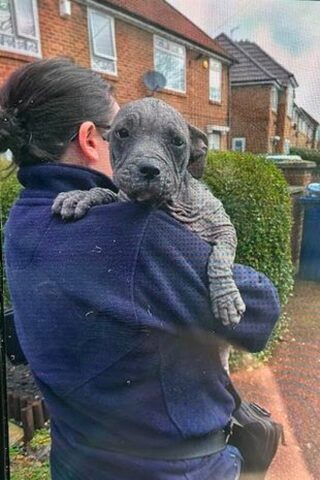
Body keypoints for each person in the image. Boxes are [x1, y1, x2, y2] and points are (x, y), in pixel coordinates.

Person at [1, 58, 280, 480]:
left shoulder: (22, 220)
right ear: (92, 139)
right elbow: (259, 313)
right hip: (173, 468)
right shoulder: (137, 236)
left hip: (76, 458)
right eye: (123, 132)